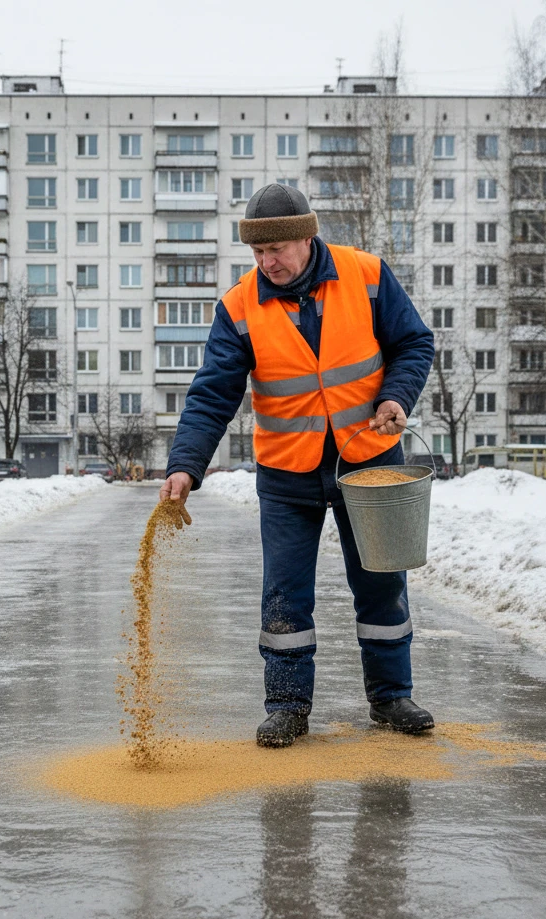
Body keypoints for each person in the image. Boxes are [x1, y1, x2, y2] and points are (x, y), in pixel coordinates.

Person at [159, 183, 435, 748]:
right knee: (285, 595)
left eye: (278, 249)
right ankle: (286, 706)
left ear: (308, 238)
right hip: (287, 474)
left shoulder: (368, 275)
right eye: (258, 253)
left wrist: (396, 398)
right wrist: (186, 463)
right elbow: (213, 393)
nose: (268, 262)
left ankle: (391, 698)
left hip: (370, 463)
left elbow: (414, 344)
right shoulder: (238, 305)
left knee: (382, 584)